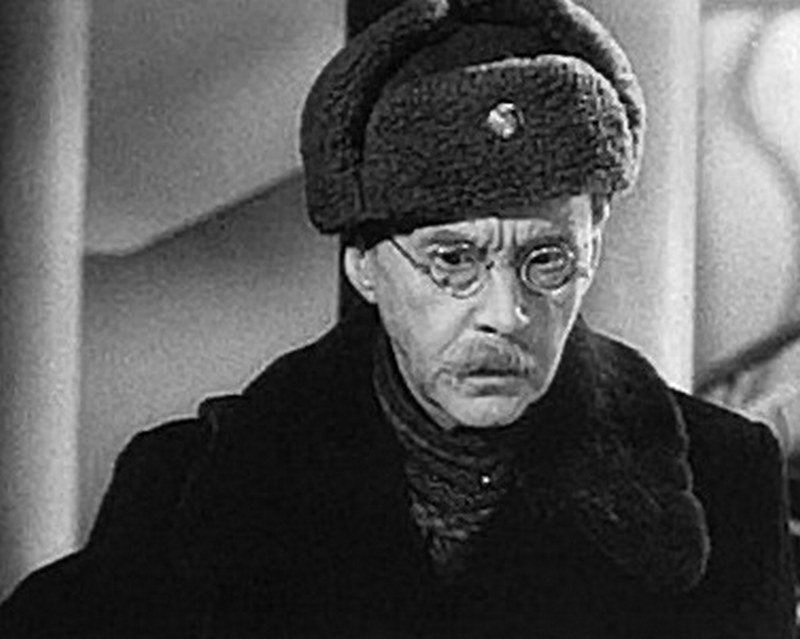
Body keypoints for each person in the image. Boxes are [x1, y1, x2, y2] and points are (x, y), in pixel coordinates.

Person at [0, 0, 795, 637]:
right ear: (364, 265)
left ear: (593, 251)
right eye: (453, 259)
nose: (505, 314)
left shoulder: (726, 482)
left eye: (546, 260)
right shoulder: (188, 492)